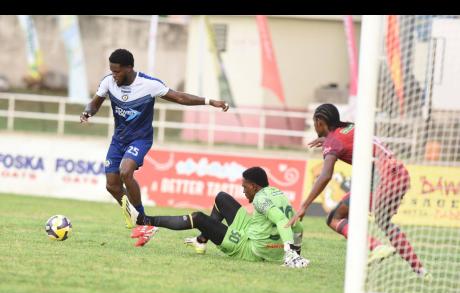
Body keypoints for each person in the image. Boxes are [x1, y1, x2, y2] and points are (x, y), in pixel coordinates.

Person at [80, 49, 229, 229]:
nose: (114, 75)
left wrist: (210, 101)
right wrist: (87, 112)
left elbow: (180, 97)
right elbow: (95, 103)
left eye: (117, 71)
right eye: (112, 71)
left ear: (128, 68)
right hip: (118, 140)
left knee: (125, 171)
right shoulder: (108, 82)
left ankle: (142, 218)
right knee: (112, 186)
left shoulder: (149, 84)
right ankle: (132, 214)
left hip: (140, 139)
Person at [287, 103, 429, 278]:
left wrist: (303, 206)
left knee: (334, 218)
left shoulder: (332, 142)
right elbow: (347, 140)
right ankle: (421, 270)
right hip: (399, 173)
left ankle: (375, 246)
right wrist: (327, 140)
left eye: (314, 122)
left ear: (319, 121)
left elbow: (325, 175)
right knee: (384, 221)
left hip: (380, 176)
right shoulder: (350, 127)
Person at [129, 167, 309, 268]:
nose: (243, 191)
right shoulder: (278, 194)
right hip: (252, 231)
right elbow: (297, 226)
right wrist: (297, 251)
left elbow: (281, 221)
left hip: (250, 248)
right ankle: (201, 240)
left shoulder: (260, 200)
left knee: (199, 218)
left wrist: (289, 252)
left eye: (245, 187)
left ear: (254, 187)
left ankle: (146, 221)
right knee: (222, 198)